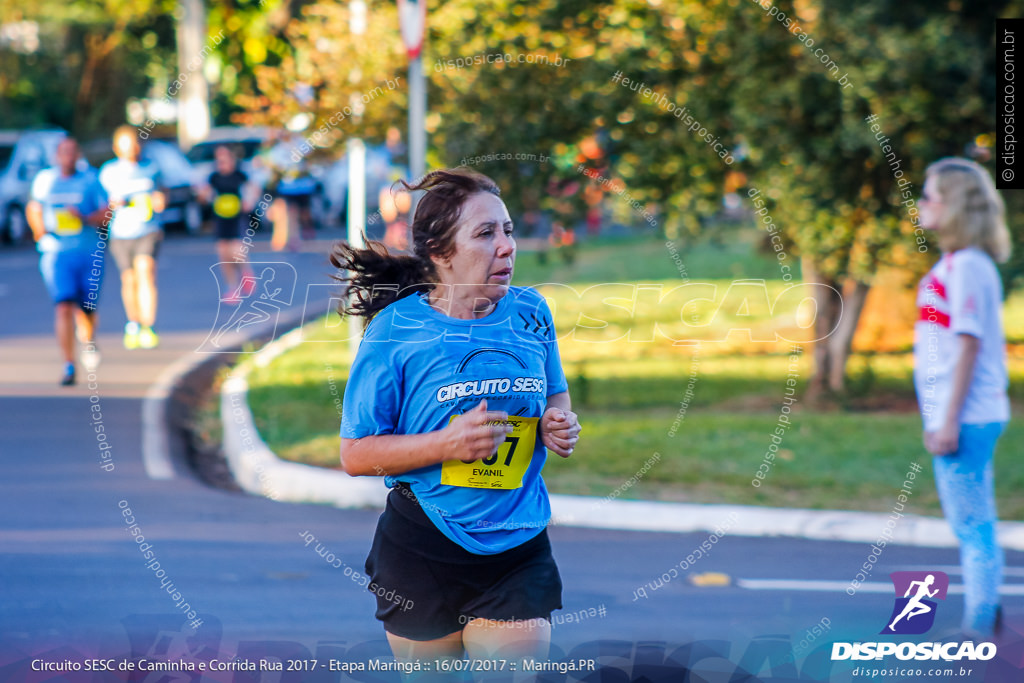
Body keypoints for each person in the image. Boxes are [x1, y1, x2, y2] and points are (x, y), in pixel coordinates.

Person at [332, 169, 582, 670]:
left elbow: (555, 393)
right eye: (486, 233)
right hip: (423, 545)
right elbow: (355, 455)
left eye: (508, 230)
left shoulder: (531, 310)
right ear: (442, 252)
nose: (507, 247)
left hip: (518, 544)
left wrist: (558, 421)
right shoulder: (395, 330)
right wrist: (446, 444)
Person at [915, 157, 1012, 638]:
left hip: (968, 417)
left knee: (973, 526)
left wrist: (947, 420)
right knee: (970, 523)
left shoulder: (969, 267)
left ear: (952, 206)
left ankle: (981, 625)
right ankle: (985, 614)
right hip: (961, 415)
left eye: (930, 196)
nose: (921, 204)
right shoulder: (955, 264)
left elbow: (969, 345)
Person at [26, 137, 109, 385]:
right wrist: (38, 230)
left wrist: (83, 217)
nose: (68, 157)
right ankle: (69, 364)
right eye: (63, 152)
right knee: (63, 305)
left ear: (78, 154)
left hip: (88, 251)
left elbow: (106, 213)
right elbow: (34, 207)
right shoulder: (45, 180)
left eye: (73, 152)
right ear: (56, 156)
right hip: (56, 252)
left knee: (87, 308)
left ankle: (89, 340)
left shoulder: (90, 179)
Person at [99, 125, 166, 349]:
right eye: (127, 146)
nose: (133, 149)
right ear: (117, 148)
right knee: (129, 279)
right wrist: (111, 205)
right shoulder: (108, 172)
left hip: (148, 229)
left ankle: (149, 326)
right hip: (121, 232)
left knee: (145, 272)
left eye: (135, 144)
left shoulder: (151, 169)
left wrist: (160, 200)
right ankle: (133, 322)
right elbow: (100, 204)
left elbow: (162, 193)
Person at [199, 145, 255, 304]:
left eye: (224, 158)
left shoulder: (239, 175)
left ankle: (246, 272)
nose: (221, 162)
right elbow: (204, 194)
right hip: (220, 216)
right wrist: (202, 195)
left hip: (237, 216)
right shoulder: (214, 177)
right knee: (224, 254)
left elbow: (253, 188)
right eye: (219, 159)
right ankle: (232, 288)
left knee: (236, 250)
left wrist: (249, 201)